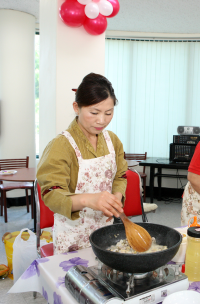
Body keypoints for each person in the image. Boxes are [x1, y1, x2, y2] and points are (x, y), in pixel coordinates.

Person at [37, 73, 127, 254]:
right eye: (94, 112)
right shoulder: (61, 145)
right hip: (72, 236)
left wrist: (116, 197)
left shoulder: (113, 141)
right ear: (76, 107)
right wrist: (88, 199)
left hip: (105, 231)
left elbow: (120, 175)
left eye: (108, 113)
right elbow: (51, 193)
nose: (102, 120)